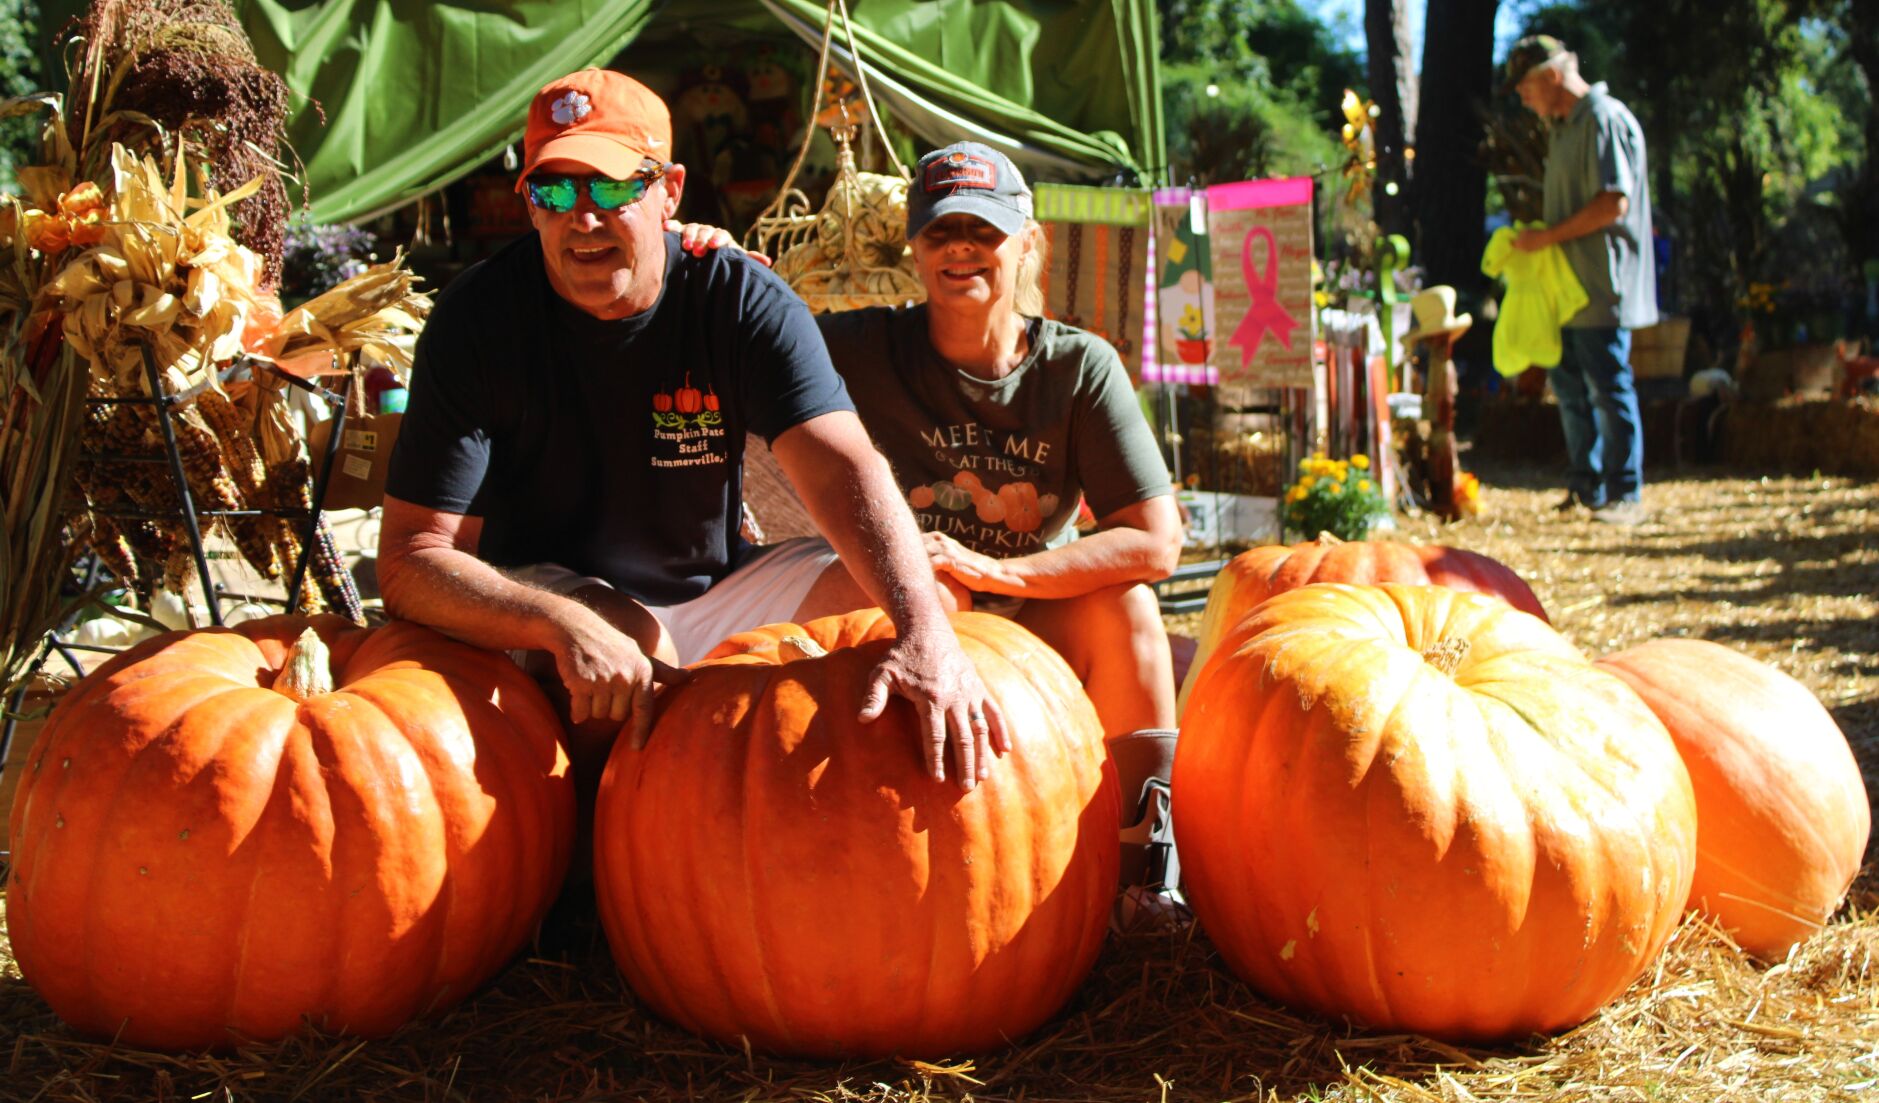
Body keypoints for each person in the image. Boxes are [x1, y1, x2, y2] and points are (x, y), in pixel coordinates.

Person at [376, 68, 1006, 796]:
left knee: (921, 599)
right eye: (554, 190)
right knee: (625, 642)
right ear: (529, 204)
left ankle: (873, 826)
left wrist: (922, 629)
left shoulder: (735, 295)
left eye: (612, 187)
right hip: (549, 597)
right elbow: (409, 561)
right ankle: (597, 876)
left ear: (668, 191)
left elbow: (842, 468)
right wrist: (553, 622)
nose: (582, 217)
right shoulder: (478, 319)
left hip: (716, 586)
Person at [1506, 34, 1659, 525]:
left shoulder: (1604, 119)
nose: (1521, 97)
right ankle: (1586, 487)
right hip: (1566, 288)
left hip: (1601, 286)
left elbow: (1613, 203)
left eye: (1524, 86)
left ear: (1551, 75)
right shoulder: (1563, 128)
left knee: (1607, 387)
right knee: (1570, 388)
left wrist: (1547, 236)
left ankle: (1624, 494)